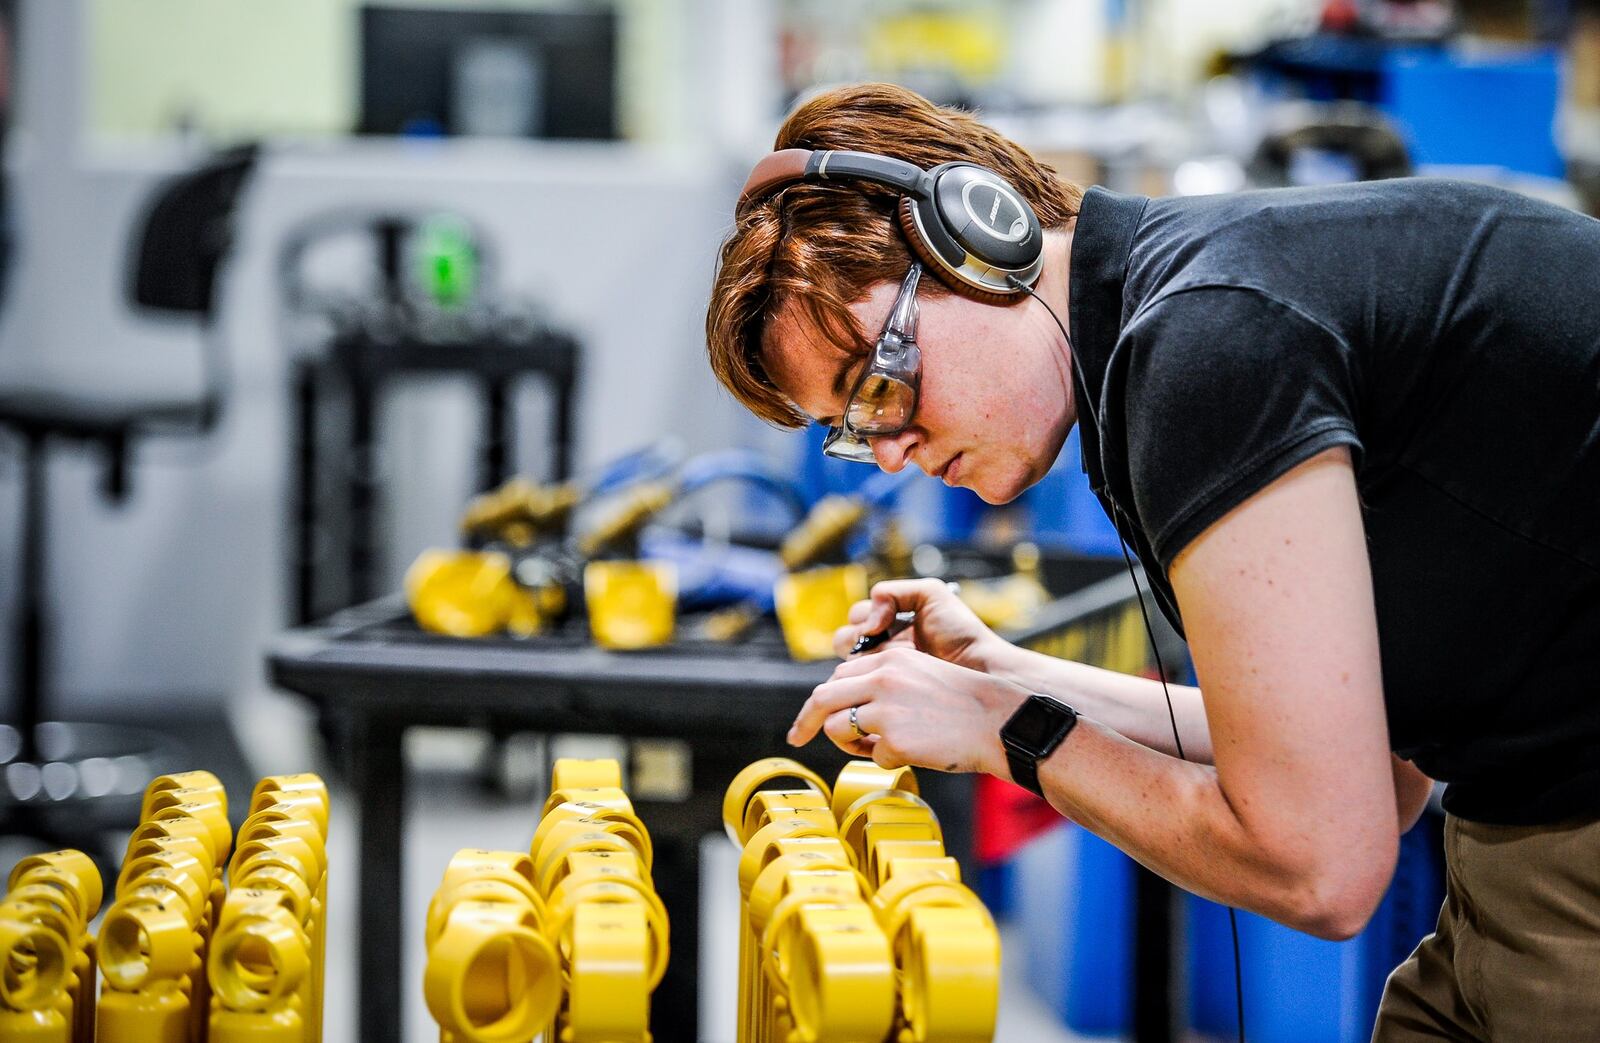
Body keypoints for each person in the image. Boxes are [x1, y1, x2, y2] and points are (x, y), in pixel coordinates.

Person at [704, 82, 1600, 1040]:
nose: (886, 448)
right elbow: (1361, 765)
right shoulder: (1174, 321)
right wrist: (1003, 672)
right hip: (1514, 843)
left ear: (981, 239)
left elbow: (1323, 866)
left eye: (875, 381)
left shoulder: (1205, 343)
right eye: (850, 427)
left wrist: (1003, 728)